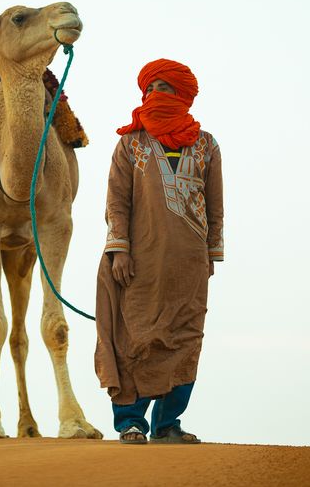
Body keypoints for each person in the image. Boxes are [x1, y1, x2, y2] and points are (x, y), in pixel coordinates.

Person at [94, 58, 224, 444]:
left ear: (182, 95)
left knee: (185, 338)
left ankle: (169, 424)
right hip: (138, 263)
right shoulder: (130, 144)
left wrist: (211, 255)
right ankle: (131, 422)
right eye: (150, 89)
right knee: (135, 336)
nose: (155, 96)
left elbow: (215, 205)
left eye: (164, 89)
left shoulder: (206, 145)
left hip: (189, 264)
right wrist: (119, 250)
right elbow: (116, 201)